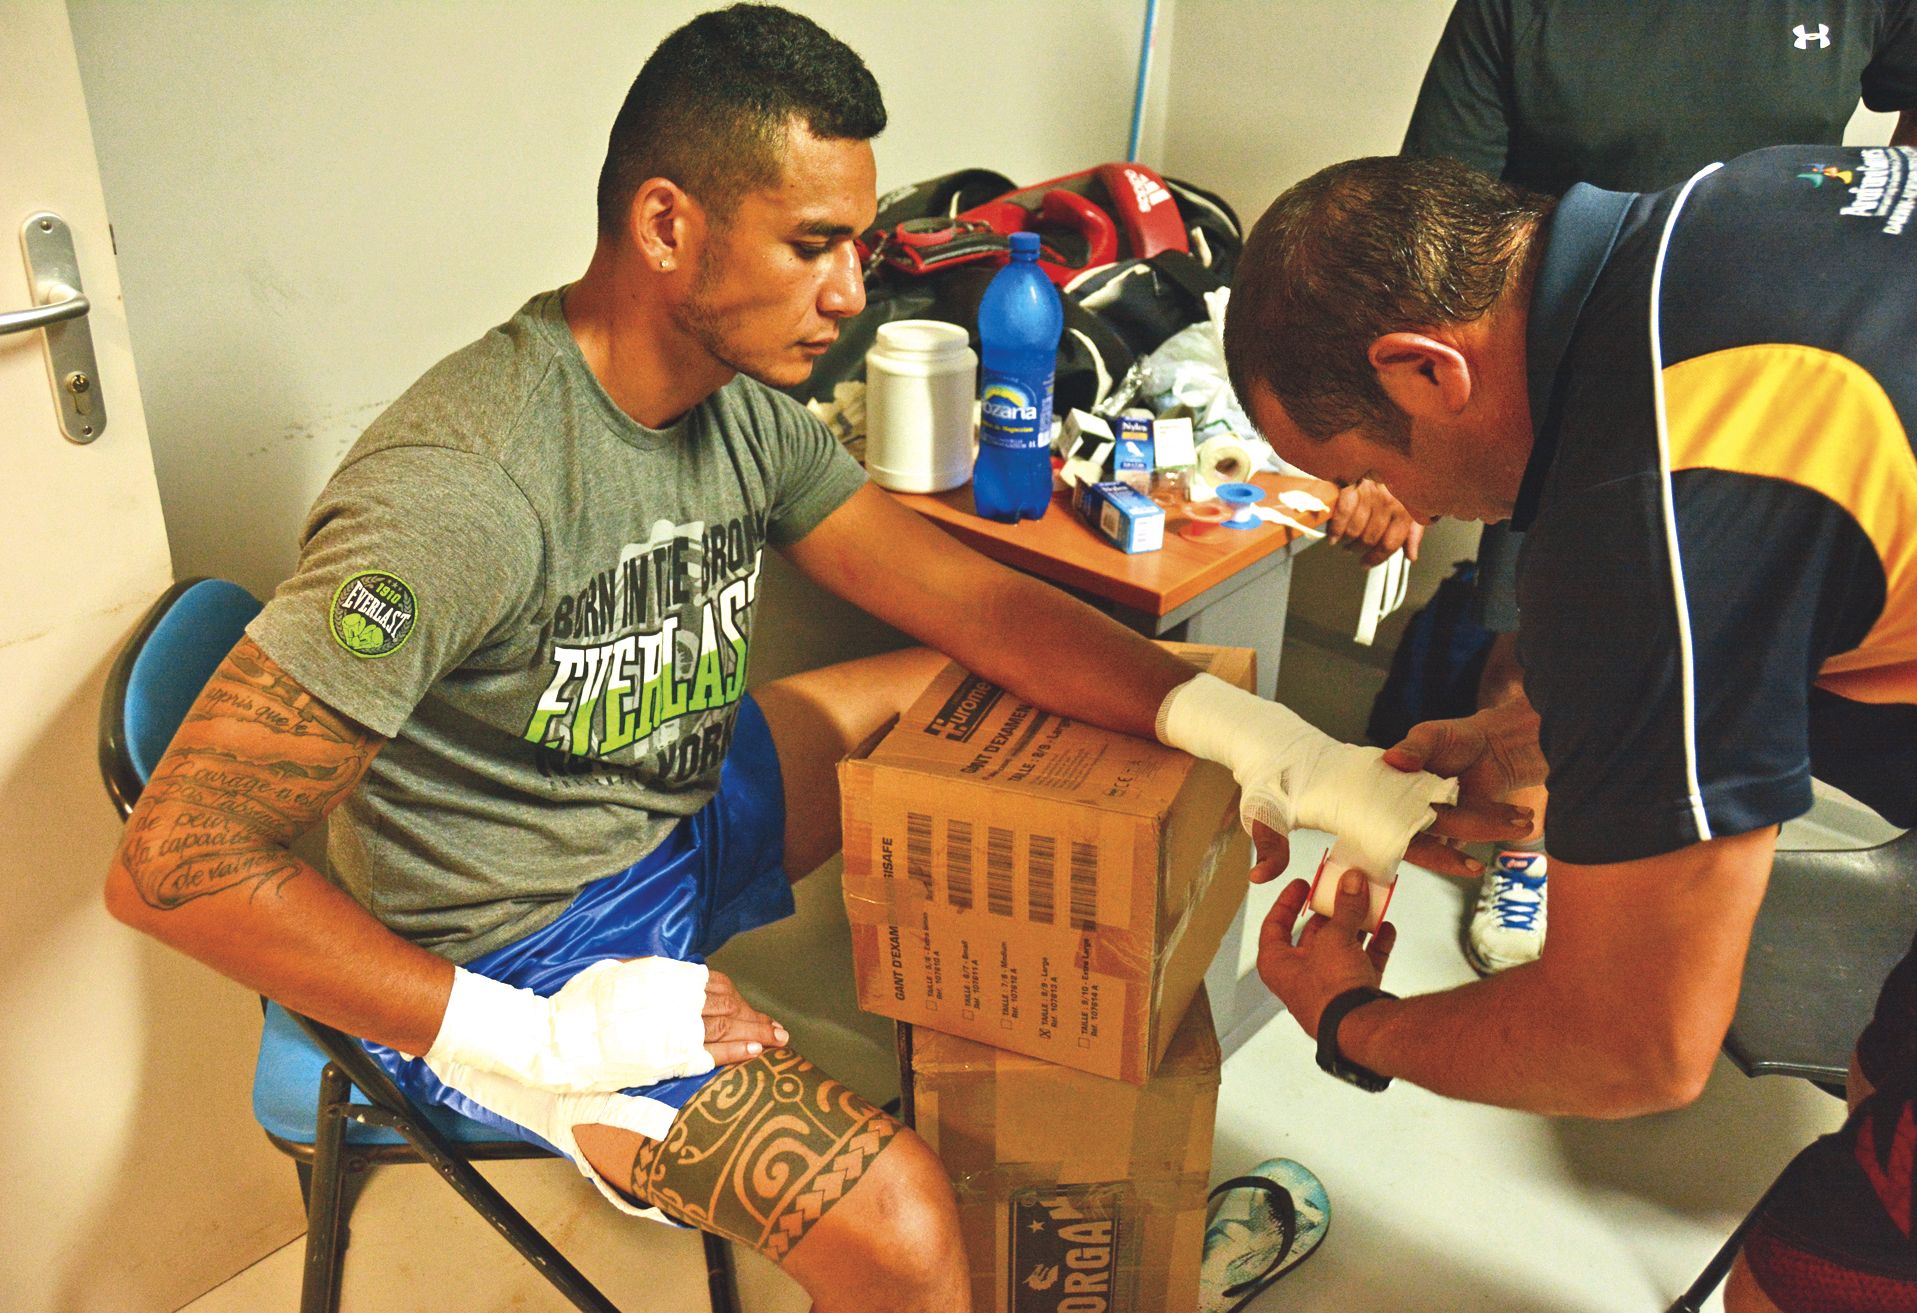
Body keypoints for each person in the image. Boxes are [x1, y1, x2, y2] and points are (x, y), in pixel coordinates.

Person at [102, 8, 1512, 1310]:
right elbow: (175, 863)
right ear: (667, 224)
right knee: (896, 1231)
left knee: (958, 699)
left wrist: (1296, 760)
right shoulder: (459, 487)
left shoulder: (738, 412)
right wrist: (535, 1042)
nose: (853, 290)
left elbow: (985, 617)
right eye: (813, 244)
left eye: (854, 244)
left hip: (664, 822)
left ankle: (1048, 1156)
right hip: (511, 952)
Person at [1223, 148, 1917, 1311]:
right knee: (1890, 1076)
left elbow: (1636, 1044)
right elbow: (1775, 568)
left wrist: (1354, 1020)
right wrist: (1548, 732)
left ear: (1422, 371)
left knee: (1800, 1281)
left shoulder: (1643, 511)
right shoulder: (1727, 207)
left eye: (1372, 471)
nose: (1412, 513)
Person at [1400, 0, 1917, 974]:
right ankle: (1539, 858)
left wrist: (1351, 1021)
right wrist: (1410, 461)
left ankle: (1660, 892)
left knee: (1720, 684)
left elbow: (1642, 1054)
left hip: (1779, 377)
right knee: (1546, 656)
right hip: (1568, 372)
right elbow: (1429, 224)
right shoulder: (1512, 17)